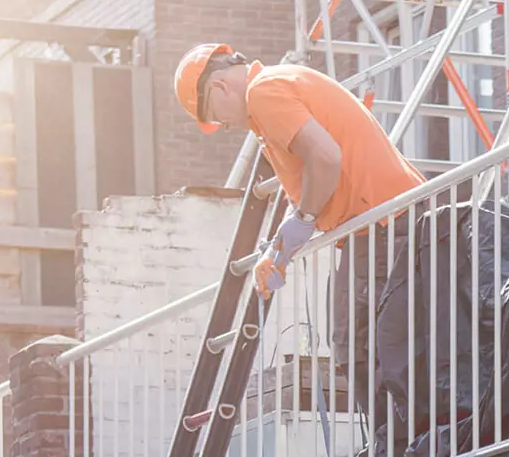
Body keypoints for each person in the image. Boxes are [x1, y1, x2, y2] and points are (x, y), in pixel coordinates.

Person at [172, 43, 425, 449]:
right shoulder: (276, 87)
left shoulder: (265, 92)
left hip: (386, 230)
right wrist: (280, 247)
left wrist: (303, 222)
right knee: (365, 347)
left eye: (214, 115)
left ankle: (399, 445)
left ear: (219, 86)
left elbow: (325, 158)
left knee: (365, 350)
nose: (223, 124)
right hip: (385, 229)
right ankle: (396, 443)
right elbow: (313, 174)